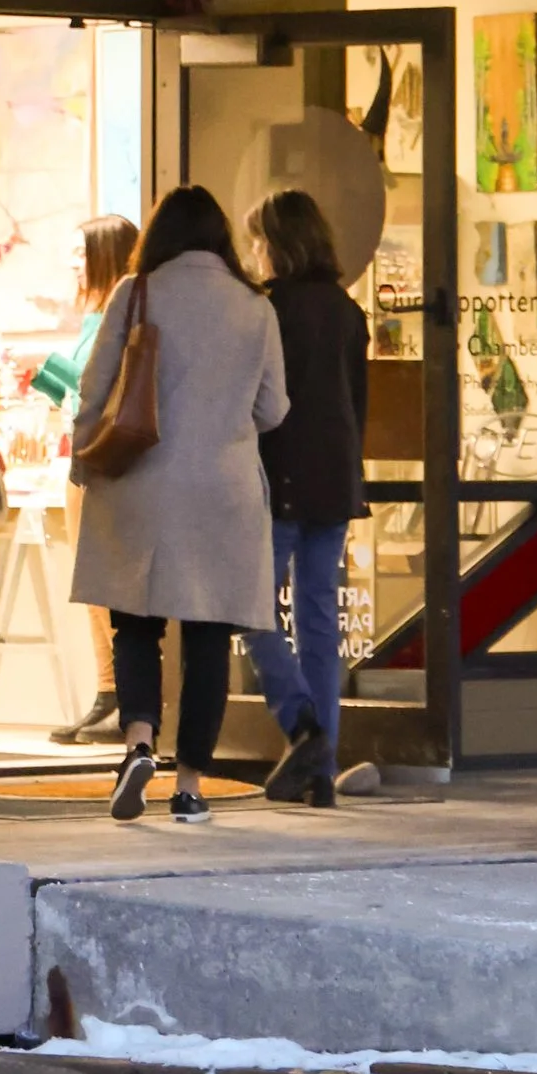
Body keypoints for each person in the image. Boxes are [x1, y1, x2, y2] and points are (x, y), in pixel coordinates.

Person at [72, 183, 285, 825]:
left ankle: (139, 743)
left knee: (135, 622)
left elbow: (96, 385)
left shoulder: (136, 293)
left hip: (141, 477)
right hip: (224, 489)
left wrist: (86, 457)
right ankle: (190, 784)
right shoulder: (255, 306)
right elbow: (274, 407)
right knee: (209, 638)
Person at [242, 186, 370, 809]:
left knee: (251, 609)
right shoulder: (348, 311)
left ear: (277, 243)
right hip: (336, 480)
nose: (254, 252)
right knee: (319, 619)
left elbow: (260, 401)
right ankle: (322, 767)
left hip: (281, 476)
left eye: (258, 239)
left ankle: (305, 728)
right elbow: (357, 406)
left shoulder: (270, 309)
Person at [30, 214, 139, 743]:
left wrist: (45, 363)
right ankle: (108, 691)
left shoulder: (116, 309)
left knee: (99, 578)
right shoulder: (98, 311)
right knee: (89, 578)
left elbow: (102, 381)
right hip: (87, 455)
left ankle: (117, 694)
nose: (74, 261)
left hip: (100, 460)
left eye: (81, 250)